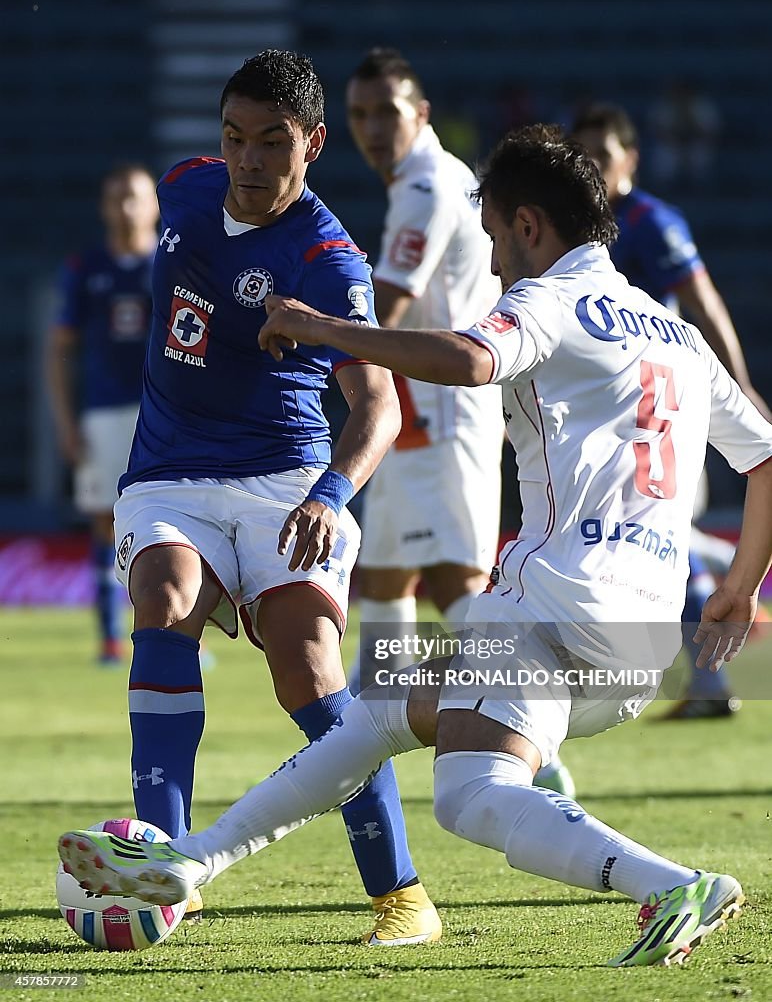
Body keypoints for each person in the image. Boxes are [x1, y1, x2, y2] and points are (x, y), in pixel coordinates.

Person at [60, 125, 772, 966]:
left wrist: (328, 329)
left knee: (431, 759)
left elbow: (471, 360)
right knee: (402, 728)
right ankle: (193, 863)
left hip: (553, 600)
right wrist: (739, 589)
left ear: (530, 226)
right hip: (643, 634)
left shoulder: (551, 301)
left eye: (496, 238)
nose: (495, 263)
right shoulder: (676, 335)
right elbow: (763, 455)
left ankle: (668, 884)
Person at [84, 50, 441, 944]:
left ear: (313, 144)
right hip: (169, 474)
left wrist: (330, 493)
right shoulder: (184, 189)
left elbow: (378, 406)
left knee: (310, 669)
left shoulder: (328, 260)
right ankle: (164, 866)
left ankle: (401, 896)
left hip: (288, 482)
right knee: (163, 598)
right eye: (235, 138)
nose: (248, 160)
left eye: (272, 143)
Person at [571, 102, 771, 720]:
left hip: (658, 412)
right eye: (583, 159)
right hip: (611, 417)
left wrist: (736, 389)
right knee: (668, 545)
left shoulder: (650, 221)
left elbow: (702, 301)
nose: (594, 171)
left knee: (668, 541)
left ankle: (708, 677)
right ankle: (709, 682)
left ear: (630, 159)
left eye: (603, 157)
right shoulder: (579, 229)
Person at [344, 48, 504, 691]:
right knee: (385, 573)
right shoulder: (435, 178)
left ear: (422, 113)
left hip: (444, 412)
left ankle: (536, 746)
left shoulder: (425, 185)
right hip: (416, 411)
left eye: (388, 111)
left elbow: (388, 305)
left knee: (453, 579)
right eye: (360, 114)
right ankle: (355, 738)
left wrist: (305, 328)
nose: (373, 129)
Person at [48, 164, 159, 665]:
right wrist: (66, 423)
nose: (126, 208)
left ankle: (181, 635)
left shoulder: (174, 263)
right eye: (117, 197)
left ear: (154, 205)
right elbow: (58, 349)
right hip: (105, 412)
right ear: (104, 207)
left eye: (135, 197)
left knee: (181, 519)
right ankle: (110, 636)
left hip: (167, 412)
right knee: (104, 523)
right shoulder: (85, 267)